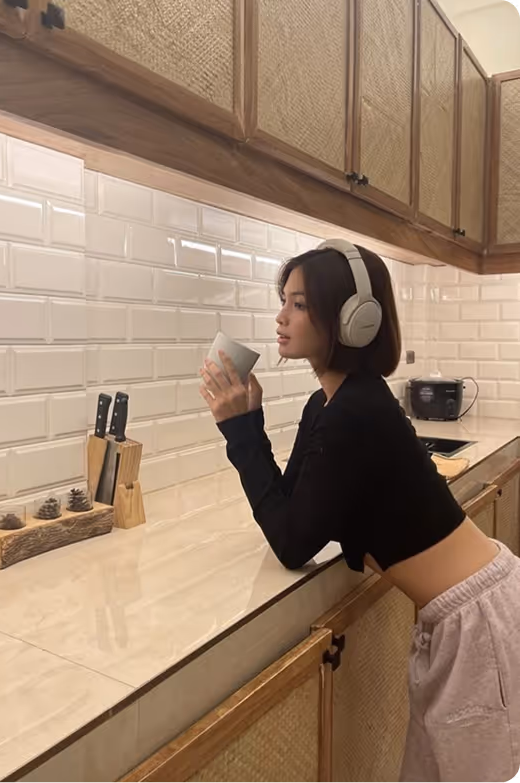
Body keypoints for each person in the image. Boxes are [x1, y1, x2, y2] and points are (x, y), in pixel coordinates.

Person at [199, 239, 520, 783]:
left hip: (477, 623)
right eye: (284, 300)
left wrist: (240, 432)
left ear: (354, 319)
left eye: (299, 304)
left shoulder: (357, 410)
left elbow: (294, 543)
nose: (281, 316)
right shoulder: (329, 403)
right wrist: (246, 422)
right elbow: (294, 513)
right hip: (459, 615)